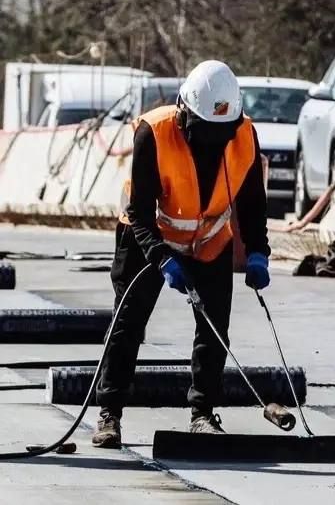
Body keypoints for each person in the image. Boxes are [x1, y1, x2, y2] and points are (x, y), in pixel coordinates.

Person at [92, 60, 272, 448]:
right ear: (185, 112)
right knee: (127, 325)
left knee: (213, 329)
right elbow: (139, 212)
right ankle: (109, 414)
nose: (213, 141)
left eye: (221, 133)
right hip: (147, 238)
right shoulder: (153, 133)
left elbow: (253, 203)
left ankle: (203, 414)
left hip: (209, 241)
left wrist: (258, 253)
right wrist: (162, 258)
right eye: (206, 132)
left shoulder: (243, 136)